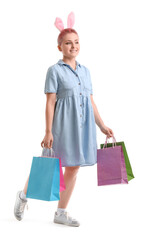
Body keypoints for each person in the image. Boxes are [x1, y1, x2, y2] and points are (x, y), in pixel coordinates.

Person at [14, 12, 114, 227]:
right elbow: (50, 102)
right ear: (60, 47)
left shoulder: (86, 71)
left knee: (74, 167)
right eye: (68, 43)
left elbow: (91, 102)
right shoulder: (54, 71)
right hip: (63, 126)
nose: (73, 46)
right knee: (51, 164)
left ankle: (61, 212)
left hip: (83, 126)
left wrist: (103, 126)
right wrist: (48, 131)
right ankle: (23, 196)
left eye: (76, 42)